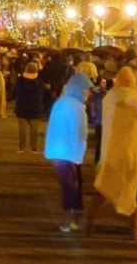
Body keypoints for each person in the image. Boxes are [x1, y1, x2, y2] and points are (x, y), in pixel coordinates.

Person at [88, 66, 137, 241]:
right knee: (135, 189)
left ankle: (89, 221)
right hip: (133, 149)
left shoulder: (109, 98)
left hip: (112, 150)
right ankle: (135, 229)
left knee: (104, 186)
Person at [44, 72, 91, 233]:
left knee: (71, 184)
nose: (88, 94)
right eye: (86, 90)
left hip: (58, 151)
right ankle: (69, 219)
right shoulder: (76, 107)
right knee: (71, 186)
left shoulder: (61, 102)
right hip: (69, 152)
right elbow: (81, 132)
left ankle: (74, 217)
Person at [14, 62, 45, 154]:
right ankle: (34, 148)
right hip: (35, 106)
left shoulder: (20, 80)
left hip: (22, 106)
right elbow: (42, 92)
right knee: (34, 129)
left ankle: (22, 147)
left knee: (22, 129)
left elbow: (16, 92)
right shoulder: (39, 80)